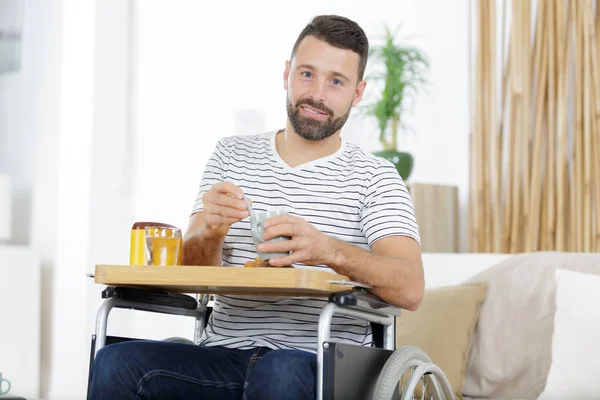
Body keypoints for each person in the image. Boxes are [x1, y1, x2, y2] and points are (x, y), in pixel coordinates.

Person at [88, 14, 424, 400]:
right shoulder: (230, 155)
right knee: (115, 363)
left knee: (279, 369)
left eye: (336, 81)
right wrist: (210, 232)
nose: (317, 93)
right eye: (307, 74)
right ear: (286, 74)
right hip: (221, 356)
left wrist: (328, 250)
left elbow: (410, 287)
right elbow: (195, 272)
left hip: (316, 363)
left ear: (358, 93)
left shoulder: (375, 177)